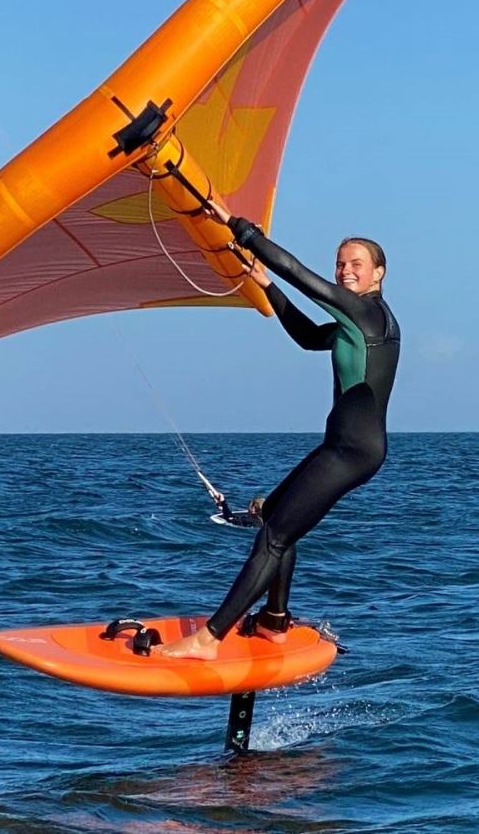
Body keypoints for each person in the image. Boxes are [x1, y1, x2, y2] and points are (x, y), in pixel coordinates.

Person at [159, 216, 400, 659]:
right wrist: (265, 285)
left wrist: (243, 232)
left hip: (353, 450)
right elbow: (309, 338)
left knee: (272, 539)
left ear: (378, 273)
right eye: (340, 263)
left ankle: (209, 638)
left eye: (356, 263)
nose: (345, 270)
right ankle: (274, 622)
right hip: (345, 447)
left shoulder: (366, 313)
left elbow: (304, 279)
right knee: (272, 519)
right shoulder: (359, 322)